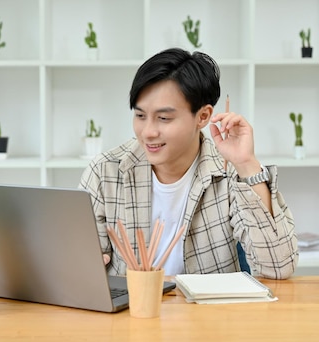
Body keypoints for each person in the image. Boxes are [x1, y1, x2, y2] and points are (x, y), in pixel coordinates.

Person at [78, 48, 297, 279]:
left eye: (164, 118)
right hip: (132, 312)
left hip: (209, 313)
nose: (148, 132)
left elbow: (278, 268)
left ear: (203, 117)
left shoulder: (229, 175)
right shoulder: (106, 172)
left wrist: (246, 163)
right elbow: (82, 266)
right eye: (140, 116)